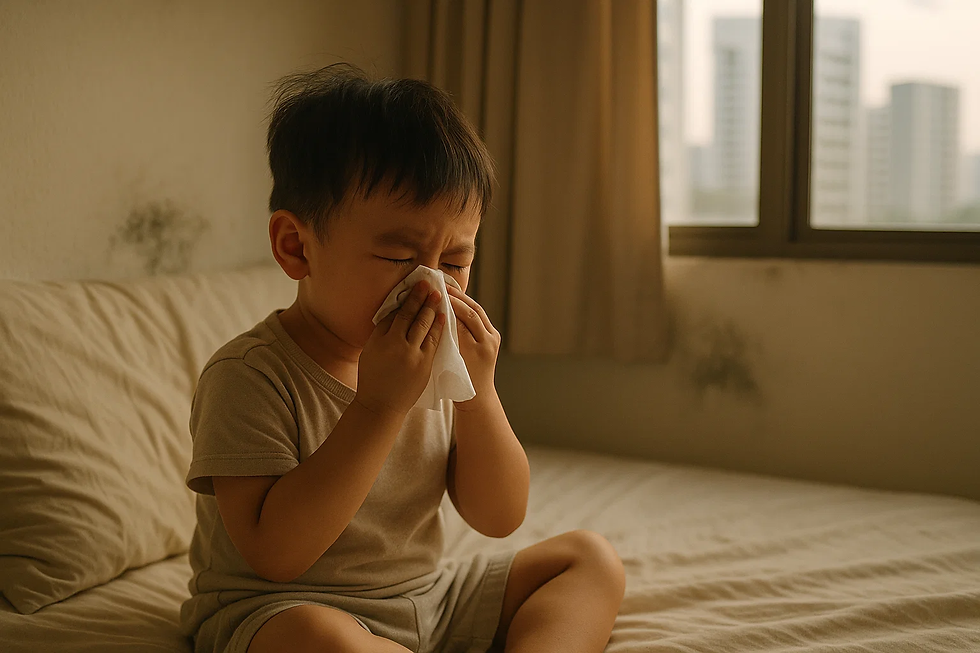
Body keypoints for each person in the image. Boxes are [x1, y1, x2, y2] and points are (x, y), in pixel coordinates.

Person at [180, 63, 625, 653]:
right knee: (313, 638)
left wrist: (478, 393)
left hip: (426, 597)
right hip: (283, 609)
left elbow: (499, 516)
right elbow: (275, 555)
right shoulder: (249, 376)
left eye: (456, 261)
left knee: (588, 558)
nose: (431, 288)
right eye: (399, 258)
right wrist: (378, 406)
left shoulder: (434, 364)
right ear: (297, 247)